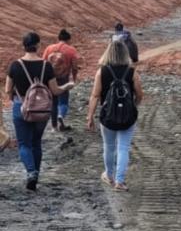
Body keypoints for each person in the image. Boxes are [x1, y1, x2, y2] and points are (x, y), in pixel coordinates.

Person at [5, 32, 75, 191]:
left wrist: (17, 99)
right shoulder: (46, 66)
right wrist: (67, 86)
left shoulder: (15, 66)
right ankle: (35, 175)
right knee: (36, 142)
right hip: (42, 110)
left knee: (24, 144)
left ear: (23, 46)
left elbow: (7, 90)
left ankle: (31, 172)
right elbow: (55, 91)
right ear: (37, 46)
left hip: (21, 107)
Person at [86, 40, 144, 191]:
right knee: (124, 147)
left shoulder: (102, 71)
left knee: (109, 146)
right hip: (127, 117)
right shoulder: (132, 72)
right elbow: (139, 94)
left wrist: (90, 116)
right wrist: (134, 106)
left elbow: (95, 95)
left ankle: (109, 175)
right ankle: (120, 181)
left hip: (108, 117)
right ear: (126, 54)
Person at [42, 29, 82, 131]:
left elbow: (43, 63)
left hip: (49, 78)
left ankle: (54, 126)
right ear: (68, 40)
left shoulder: (49, 48)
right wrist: (74, 78)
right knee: (63, 101)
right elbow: (74, 67)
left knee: (53, 102)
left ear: (58, 38)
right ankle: (61, 115)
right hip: (63, 78)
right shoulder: (71, 50)